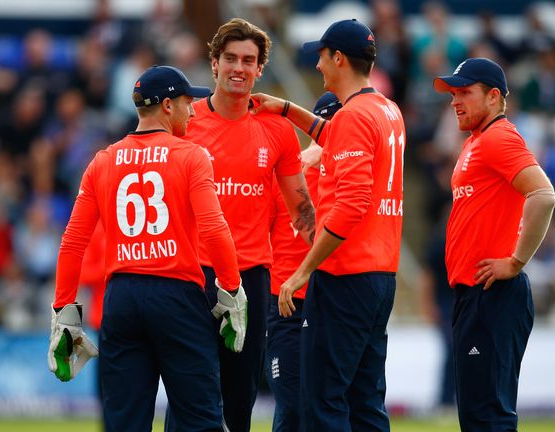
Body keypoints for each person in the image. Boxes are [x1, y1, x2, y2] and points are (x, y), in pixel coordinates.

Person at [48, 65, 247, 432]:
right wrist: (232, 288)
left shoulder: (103, 160)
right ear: (167, 106)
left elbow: (73, 239)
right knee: (200, 418)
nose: (193, 110)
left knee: (124, 421)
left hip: (120, 297)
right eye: (188, 102)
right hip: (177, 295)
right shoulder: (190, 155)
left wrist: (63, 308)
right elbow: (215, 229)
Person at [253, 18, 405, 431]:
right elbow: (333, 134)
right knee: (366, 401)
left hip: (346, 276)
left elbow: (352, 205)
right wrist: (285, 108)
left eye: (321, 56)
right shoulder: (386, 110)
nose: (318, 65)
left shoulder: (356, 117)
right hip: (380, 274)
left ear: (338, 58)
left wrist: (303, 270)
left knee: (323, 402)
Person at [165, 18, 315, 432]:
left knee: (239, 397)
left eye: (248, 60)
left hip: (250, 279)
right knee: (189, 394)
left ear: (260, 69)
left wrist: (325, 259)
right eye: (230, 58)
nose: (239, 68)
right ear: (213, 63)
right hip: (190, 275)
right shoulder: (183, 122)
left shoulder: (277, 130)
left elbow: (302, 213)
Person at [432, 58, 555, 431]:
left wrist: (515, 261)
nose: (455, 101)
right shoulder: (476, 142)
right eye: (453, 93)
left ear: (493, 96)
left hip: (493, 293)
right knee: (478, 416)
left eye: (464, 92)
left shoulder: (499, 138)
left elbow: (543, 194)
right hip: (477, 294)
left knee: (488, 417)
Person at [265, 92, 341, 431]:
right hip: (288, 303)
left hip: (335, 301)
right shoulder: (288, 170)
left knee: (331, 408)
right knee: (293, 407)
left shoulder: (357, 170)